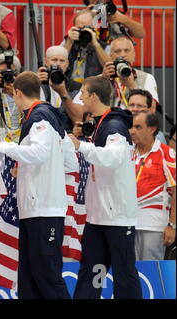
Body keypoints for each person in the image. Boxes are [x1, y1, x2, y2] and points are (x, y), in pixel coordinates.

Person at [0, 71, 78, 299]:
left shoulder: (39, 118)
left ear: (17, 93)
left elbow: (40, 152)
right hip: (36, 209)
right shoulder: (51, 118)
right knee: (29, 278)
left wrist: (0, 146)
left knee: (46, 276)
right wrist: (26, 168)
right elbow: (69, 161)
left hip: (42, 209)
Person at [68, 76, 142, 299]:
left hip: (117, 217)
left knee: (124, 274)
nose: (79, 97)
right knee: (92, 271)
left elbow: (112, 157)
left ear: (93, 96)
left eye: (82, 92)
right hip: (98, 217)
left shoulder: (115, 125)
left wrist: (81, 145)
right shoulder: (102, 122)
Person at [130, 112, 176, 260]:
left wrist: (172, 225)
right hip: (128, 222)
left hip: (153, 225)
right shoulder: (129, 152)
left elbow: (175, 190)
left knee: (150, 271)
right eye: (131, 127)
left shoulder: (166, 152)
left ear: (152, 129)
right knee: (130, 271)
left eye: (138, 127)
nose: (132, 131)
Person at [101, 36, 159, 110]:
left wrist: (132, 86)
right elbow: (84, 111)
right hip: (108, 120)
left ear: (133, 55)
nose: (122, 55)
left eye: (127, 51)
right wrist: (102, 81)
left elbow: (151, 110)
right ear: (111, 56)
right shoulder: (100, 78)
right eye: (117, 51)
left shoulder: (147, 78)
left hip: (134, 120)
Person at [38, 46, 86, 131]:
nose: (58, 64)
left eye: (62, 61)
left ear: (67, 64)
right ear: (46, 62)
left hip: (68, 135)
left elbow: (79, 119)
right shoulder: (38, 83)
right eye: (54, 60)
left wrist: (63, 92)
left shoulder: (76, 87)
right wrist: (35, 83)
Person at [62, 9, 111, 86]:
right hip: (69, 88)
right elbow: (58, 64)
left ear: (94, 28)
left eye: (87, 28)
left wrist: (96, 44)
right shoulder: (68, 42)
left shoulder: (104, 47)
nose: (84, 31)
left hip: (93, 89)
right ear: (74, 27)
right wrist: (69, 42)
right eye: (80, 28)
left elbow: (110, 68)